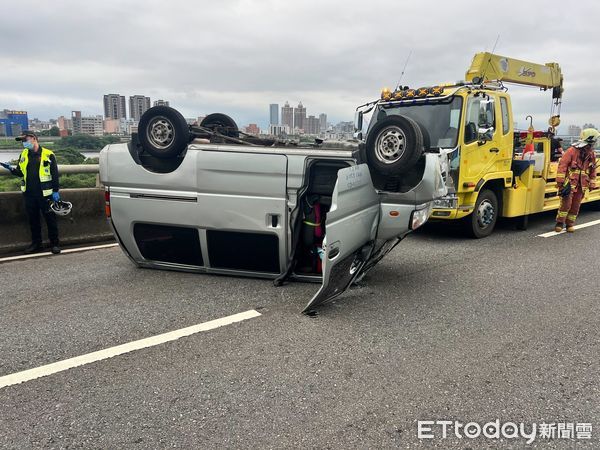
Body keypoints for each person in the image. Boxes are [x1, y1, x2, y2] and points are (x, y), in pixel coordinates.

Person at [0, 131, 62, 253]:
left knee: (50, 219)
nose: (24, 143)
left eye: (25, 140)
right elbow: (20, 172)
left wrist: (55, 191)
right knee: (33, 220)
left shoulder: (48, 154)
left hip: (45, 193)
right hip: (29, 193)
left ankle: (55, 244)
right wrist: (11, 168)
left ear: (34, 138)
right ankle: (36, 244)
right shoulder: (24, 154)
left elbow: (54, 174)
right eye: (22, 141)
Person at [554, 128, 599, 233]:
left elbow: (593, 169)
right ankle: (559, 223)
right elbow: (562, 165)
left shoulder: (591, 154)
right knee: (566, 204)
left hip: (582, 184)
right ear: (590, 140)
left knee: (576, 205)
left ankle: (570, 224)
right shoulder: (572, 151)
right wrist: (560, 181)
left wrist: (592, 182)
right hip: (569, 183)